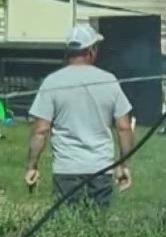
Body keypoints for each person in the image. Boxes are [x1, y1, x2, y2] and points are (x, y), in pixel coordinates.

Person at [24, 24, 134, 205]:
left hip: (66, 170)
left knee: (66, 226)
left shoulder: (52, 82)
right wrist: (124, 165)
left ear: (68, 52)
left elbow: (40, 130)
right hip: (101, 169)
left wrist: (31, 166)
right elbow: (123, 128)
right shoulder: (109, 81)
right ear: (91, 51)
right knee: (98, 227)